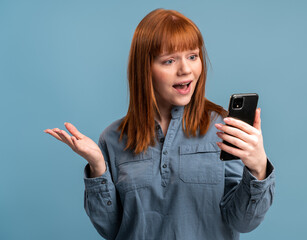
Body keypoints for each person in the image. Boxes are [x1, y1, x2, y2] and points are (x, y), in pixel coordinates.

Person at [44, 8, 275, 240]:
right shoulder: (113, 138)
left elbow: (242, 222)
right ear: (145, 69)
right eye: (169, 60)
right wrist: (97, 166)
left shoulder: (223, 129)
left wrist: (257, 169)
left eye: (193, 56)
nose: (185, 69)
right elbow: (112, 229)